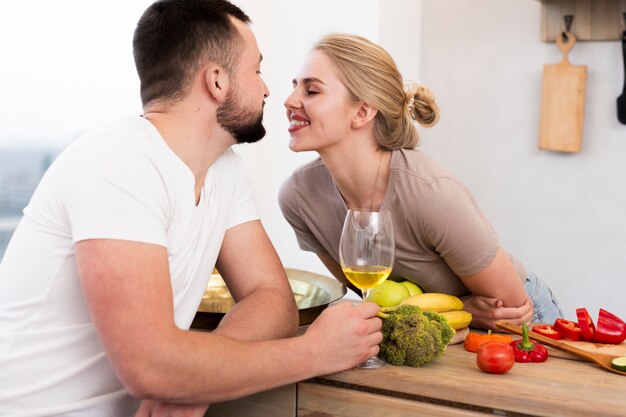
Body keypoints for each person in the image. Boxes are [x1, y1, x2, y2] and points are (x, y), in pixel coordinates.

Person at [0, 4, 383, 416]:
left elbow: (272, 297)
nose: (268, 90)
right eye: (256, 70)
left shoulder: (223, 169)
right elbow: (149, 366)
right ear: (217, 81)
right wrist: (314, 352)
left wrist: (192, 382)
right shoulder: (119, 160)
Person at [279, 33, 562, 331]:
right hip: (435, 326)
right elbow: (371, 297)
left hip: (524, 316)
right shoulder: (298, 198)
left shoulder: (429, 192)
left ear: (362, 112)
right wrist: (458, 309)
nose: (289, 101)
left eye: (311, 91)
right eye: (294, 87)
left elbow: (510, 308)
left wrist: (451, 312)